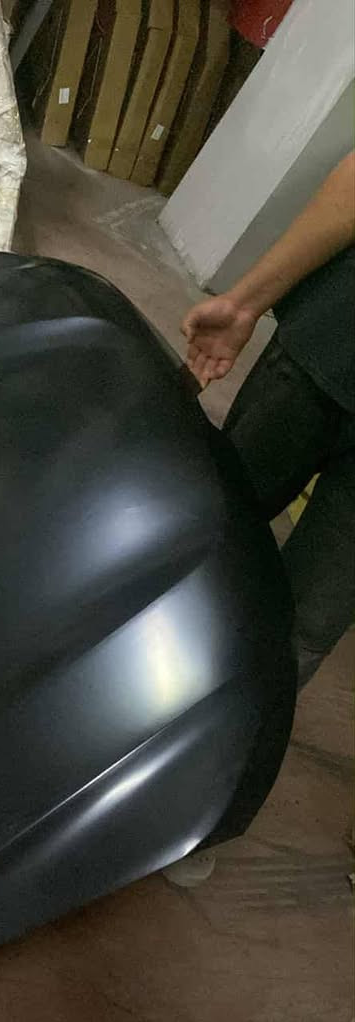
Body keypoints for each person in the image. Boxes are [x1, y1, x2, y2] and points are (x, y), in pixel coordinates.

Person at [165, 150, 355, 888]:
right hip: (330, 349)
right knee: (205, 545)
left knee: (301, 628)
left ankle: (193, 786)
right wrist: (244, 304)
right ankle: (99, 716)